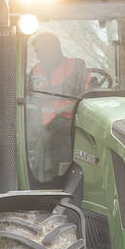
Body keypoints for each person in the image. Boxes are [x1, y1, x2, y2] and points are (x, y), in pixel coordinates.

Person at [28, 33, 89, 182]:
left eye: (39, 50)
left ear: (52, 49)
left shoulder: (76, 66)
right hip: (41, 125)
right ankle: (42, 181)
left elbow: (80, 94)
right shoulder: (35, 71)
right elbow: (29, 96)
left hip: (71, 123)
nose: (37, 54)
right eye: (36, 51)